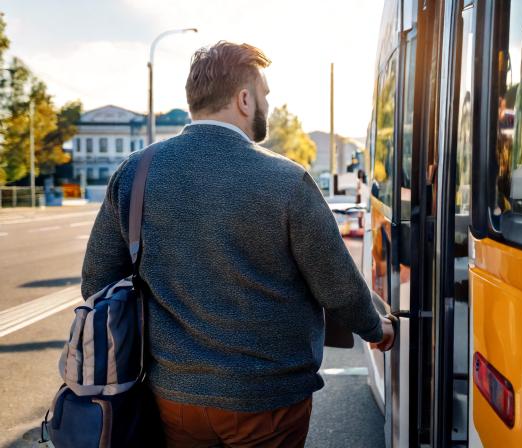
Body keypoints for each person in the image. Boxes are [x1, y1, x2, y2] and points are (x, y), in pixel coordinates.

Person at [81, 41, 395, 448]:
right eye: (264, 94)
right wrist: (376, 327)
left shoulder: (136, 173)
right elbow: (336, 284)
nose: (267, 103)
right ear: (244, 99)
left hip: (174, 398)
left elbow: (97, 282)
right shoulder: (286, 179)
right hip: (268, 401)